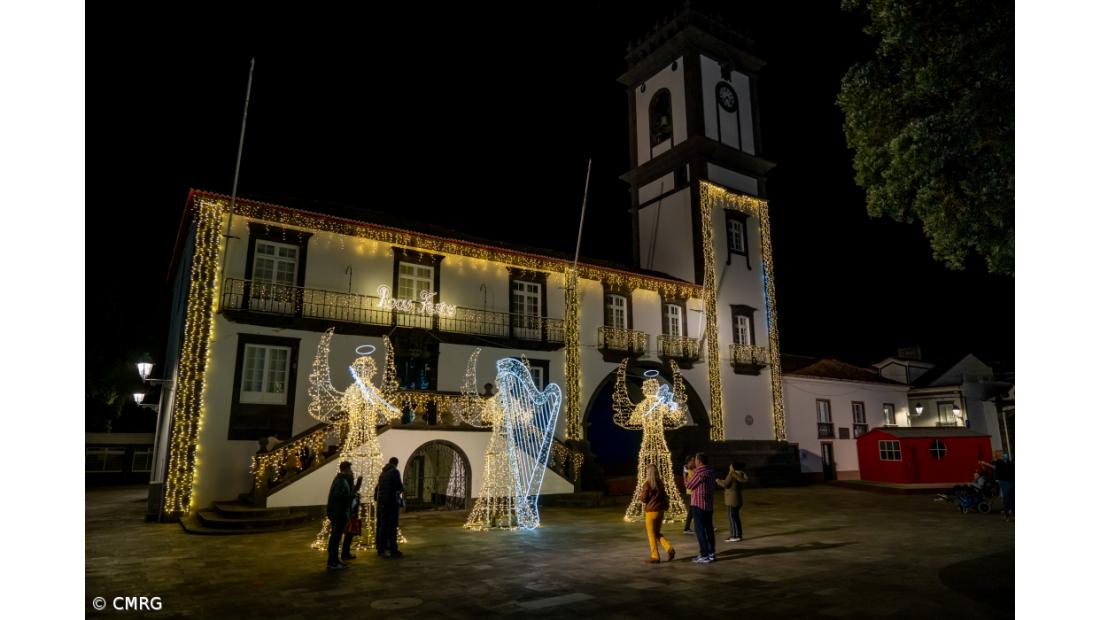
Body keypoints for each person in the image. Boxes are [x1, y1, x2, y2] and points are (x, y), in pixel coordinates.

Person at [639, 464, 676, 564]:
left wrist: (640, 494)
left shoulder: (647, 484)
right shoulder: (660, 483)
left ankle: (655, 556)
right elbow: (664, 496)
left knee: (651, 535)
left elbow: (644, 499)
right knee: (657, 533)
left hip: (651, 512)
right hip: (660, 512)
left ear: (648, 473)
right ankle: (669, 548)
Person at [325, 461, 358, 571]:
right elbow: (339, 497)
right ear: (347, 469)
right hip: (338, 513)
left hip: (338, 513)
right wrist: (351, 495)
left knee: (336, 537)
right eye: (350, 469)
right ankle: (333, 562)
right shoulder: (341, 481)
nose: (351, 471)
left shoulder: (341, 480)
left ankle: (335, 560)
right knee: (335, 538)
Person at [686, 452, 717, 563]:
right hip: (708, 505)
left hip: (698, 505)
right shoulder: (711, 471)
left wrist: (686, 475)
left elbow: (689, 485)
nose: (694, 462)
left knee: (700, 531)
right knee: (709, 530)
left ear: (699, 461)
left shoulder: (699, 472)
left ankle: (704, 555)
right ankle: (711, 553)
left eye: (695, 460)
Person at [375, 457, 404, 557]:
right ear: (396, 463)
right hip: (391, 503)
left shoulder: (383, 473)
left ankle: (381, 549)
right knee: (392, 527)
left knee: (383, 527)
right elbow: (399, 486)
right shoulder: (395, 472)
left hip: (382, 503)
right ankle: (393, 550)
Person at [716, 462, 748, 542]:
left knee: (732, 518)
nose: (729, 466)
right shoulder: (740, 474)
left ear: (733, 467)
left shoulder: (731, 474)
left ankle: (734, 535)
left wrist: (718, 481)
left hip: (731, 499)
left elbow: (726, 484)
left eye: (730, 465)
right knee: (736, 517)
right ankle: (738, 535)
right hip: (737, 499)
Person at [981, 451, 1014, 520]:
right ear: (998, 456)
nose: (1004, 454)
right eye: (1002, 454)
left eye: (1003, 453)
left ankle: (1011, 511)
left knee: (1012, 497)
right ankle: (1007, 513)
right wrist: (985, 463)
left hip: (1011, 481)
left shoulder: (1007, 461)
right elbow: (994, 467)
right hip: (1005, 481)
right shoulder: (999, 462)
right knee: (1007, 497)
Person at [681, 455, 696, 535]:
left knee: (692, 509)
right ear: (689, 461)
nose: (694, 461)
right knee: (692, 509)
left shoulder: (692, 467)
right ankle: (686, 528)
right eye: (693, 460)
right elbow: (685, 479)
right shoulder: (686, 468)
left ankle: (687, 528)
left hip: (693, 490)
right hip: (691, 490)